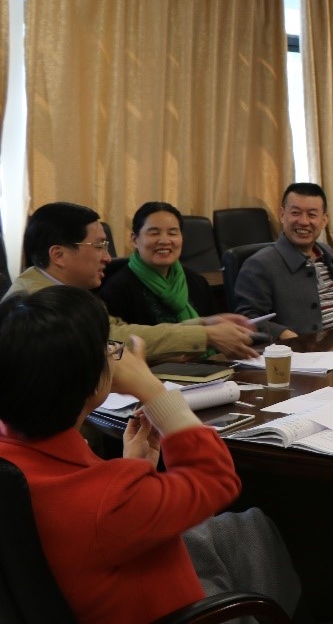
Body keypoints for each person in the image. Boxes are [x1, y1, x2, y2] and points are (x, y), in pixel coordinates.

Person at [0, 287, 302, 624]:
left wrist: (131, 470)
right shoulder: (108, 502)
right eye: (107, 347)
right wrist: (150, 387)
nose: (114, 354)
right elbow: (216, 479)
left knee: (244, 527)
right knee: (252, 529)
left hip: (107, 579)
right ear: (87, 380)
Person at [4, 202, 256, 362]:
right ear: (58, 255)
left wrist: (203, 323)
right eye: (99, 246)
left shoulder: (68, 291)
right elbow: (113, 341)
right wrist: (204, 335)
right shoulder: (35, 302)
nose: (108, 257)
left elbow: (121, 334)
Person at [100, 201, 295, 344]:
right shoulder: (117, 289)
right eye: (154, 233)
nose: (165, 240)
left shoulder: (195, 282)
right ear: (135, 239)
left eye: (172, 232)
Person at [234, 182, 333, 334]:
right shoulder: (260, 264)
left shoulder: (326, 252)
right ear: (282, 215)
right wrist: (282, 333)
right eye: (296, 213)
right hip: (307, 346)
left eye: (312, 215)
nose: (303, 221)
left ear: (324, 221)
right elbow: (248, 319)